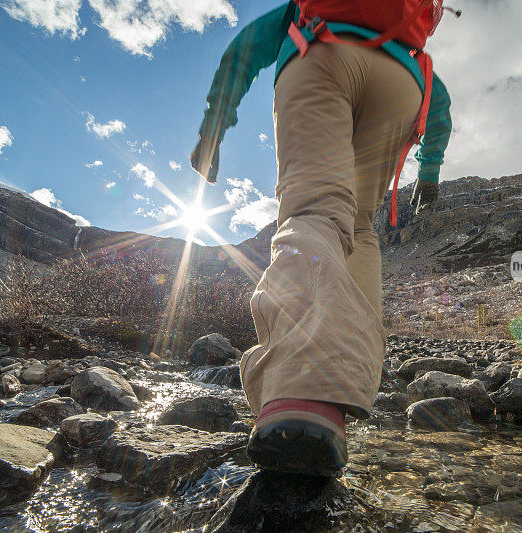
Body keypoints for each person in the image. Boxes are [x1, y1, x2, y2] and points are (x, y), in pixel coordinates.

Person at [191, 0, 453, 477]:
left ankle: (298, 395)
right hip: (402, 85)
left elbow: (243, 51)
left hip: (323, 55)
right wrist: (429, 170)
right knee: (358, 228)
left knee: (315, 209)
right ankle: (345, 386)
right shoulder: (406, 22)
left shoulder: (309, 6)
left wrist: (214, 127)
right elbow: (441, 103)